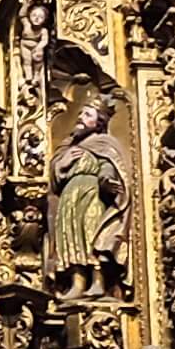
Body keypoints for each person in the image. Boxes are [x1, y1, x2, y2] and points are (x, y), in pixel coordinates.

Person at [50, 95, 132, 296]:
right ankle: (77, 283)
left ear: (99, 122)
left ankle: (98, 282)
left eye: (87, 114)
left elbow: (108, 165)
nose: (80, 118)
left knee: (91, 235)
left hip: (92, 195)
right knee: (71, 237)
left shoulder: (104, 143)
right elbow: (55, 177)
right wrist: (63, 163)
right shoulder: (69, 148)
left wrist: (106, 180)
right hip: (70, 198)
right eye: (80, 113)